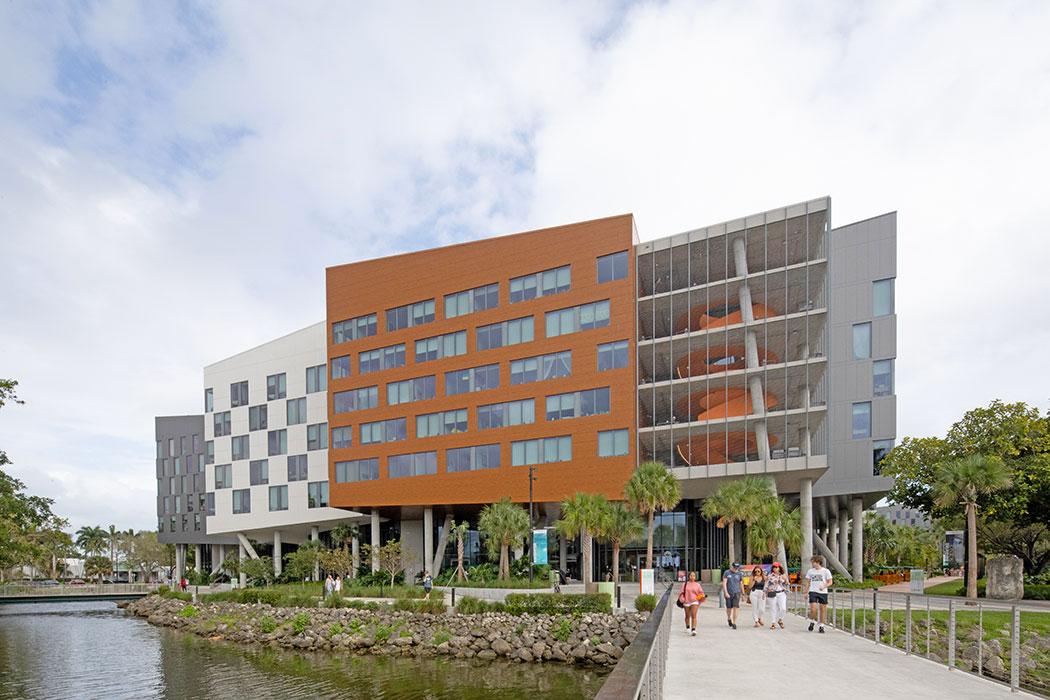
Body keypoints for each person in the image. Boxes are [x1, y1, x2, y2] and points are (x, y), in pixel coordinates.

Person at [804, 555, 834, 633]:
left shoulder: (826, 571)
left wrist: (824, 586)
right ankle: (812, 621)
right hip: (813, 591)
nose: (812, 564)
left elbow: (830, 582)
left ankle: (821, 626)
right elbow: (807, 582)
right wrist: (806, 592)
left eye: (813, 562)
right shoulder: (810, 571)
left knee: (822, 609)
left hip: (823, 592)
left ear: (818, 562)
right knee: (813, 609)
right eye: (812, 562)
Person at [679, 571, 705, 636]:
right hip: (686, 601)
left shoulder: (697, 585)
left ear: (695, 577)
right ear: (688, 576)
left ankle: (693, 629)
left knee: (694, 615)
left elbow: (701, 593)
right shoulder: (685, 584)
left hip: (694, 601)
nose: (692, 577)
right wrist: (683, 599)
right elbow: (681, 593)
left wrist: (699, 597)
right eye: (691, 575)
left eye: (694, 576)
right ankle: (688, 627)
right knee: (687, 616)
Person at [766, 562, 788, 629]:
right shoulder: (770, 576)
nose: (775, 568)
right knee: (773, 608)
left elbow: (787, 583)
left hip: (781, 593)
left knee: (783, 608)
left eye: (777, 567)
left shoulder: (783, 575)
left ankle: (780, 620)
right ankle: (773, 623)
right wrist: (765, 592)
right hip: (772, 593)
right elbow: (766, 584)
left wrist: (785, 578)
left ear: (779, 568)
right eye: (774, 567)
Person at [721, 561, 743, 629]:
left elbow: (741, 583)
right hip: (729, 592)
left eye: (737, 567)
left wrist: (743, 593)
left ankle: (734, 622)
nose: (735, 569)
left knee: (736, 607)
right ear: (732, 566)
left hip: (737, 592)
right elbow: (724, 583)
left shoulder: (739, 574)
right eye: (734, 567)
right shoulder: (727, 573)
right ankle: (729, 618)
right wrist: (726, 592)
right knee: (729, 608)